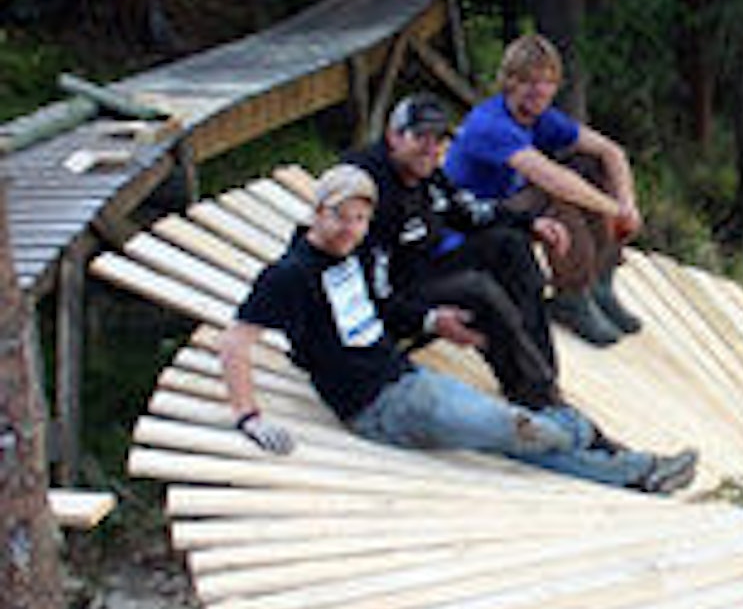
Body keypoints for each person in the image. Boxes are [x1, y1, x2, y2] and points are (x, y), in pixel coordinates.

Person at [219, 163, 698, 494]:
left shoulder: (353, 252)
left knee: (515, 437)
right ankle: (594, 441)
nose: (350, 228)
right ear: (316, 212)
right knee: (526, 430)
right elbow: (235, 341)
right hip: (378, 407)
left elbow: (381, 305)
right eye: (339, 216)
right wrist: (249, 417)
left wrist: (431, 321)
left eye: (360, 219)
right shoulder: (289, 274)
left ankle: (638, 474)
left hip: (407, 378)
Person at [345, 93, 568, 410]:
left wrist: (530, 224)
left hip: (419, 272)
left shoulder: (426, 175)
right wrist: (428, 320)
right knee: (478, 291)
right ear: (393, 136)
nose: (432, 148)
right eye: (421, 137)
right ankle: (538, 398)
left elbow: (468, 212)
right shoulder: (365, 187)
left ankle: (543, 378)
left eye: (439, 140)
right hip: (389, 303)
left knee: (510, 245)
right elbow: (368, 292)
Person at [444, 33, 644, 346]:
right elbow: (553, 179)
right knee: (557, 195)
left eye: (548, 82)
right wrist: (613, 209)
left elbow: (611, 152)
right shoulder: (490, 124)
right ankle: (571, 295)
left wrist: (627, 204)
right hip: (470, 219)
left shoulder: (541, 118)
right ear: (509, 81)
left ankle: (600, 282)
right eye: (530, 81)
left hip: (510, 204)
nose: (540, 90)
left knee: (590, 165)